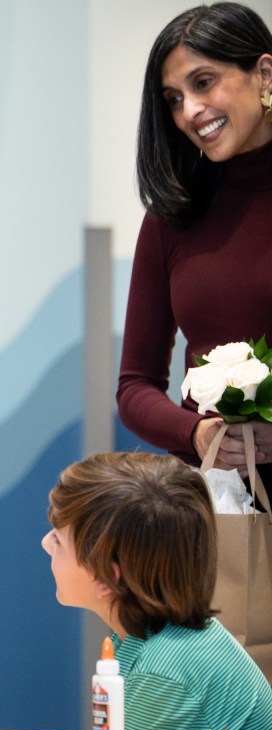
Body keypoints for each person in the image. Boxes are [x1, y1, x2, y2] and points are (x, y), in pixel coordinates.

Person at [118, 2, 272, 489]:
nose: (189, 111)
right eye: (173, 98)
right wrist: (198, 432)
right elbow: (134, 386)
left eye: (203, 83)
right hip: (211, 511)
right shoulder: (172, 214)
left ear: (264, 74)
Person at [42, 452, 272, 730]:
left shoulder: (164, 673)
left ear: (108, 578)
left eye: (58, 540)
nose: (45, 543)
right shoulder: (149, 638)